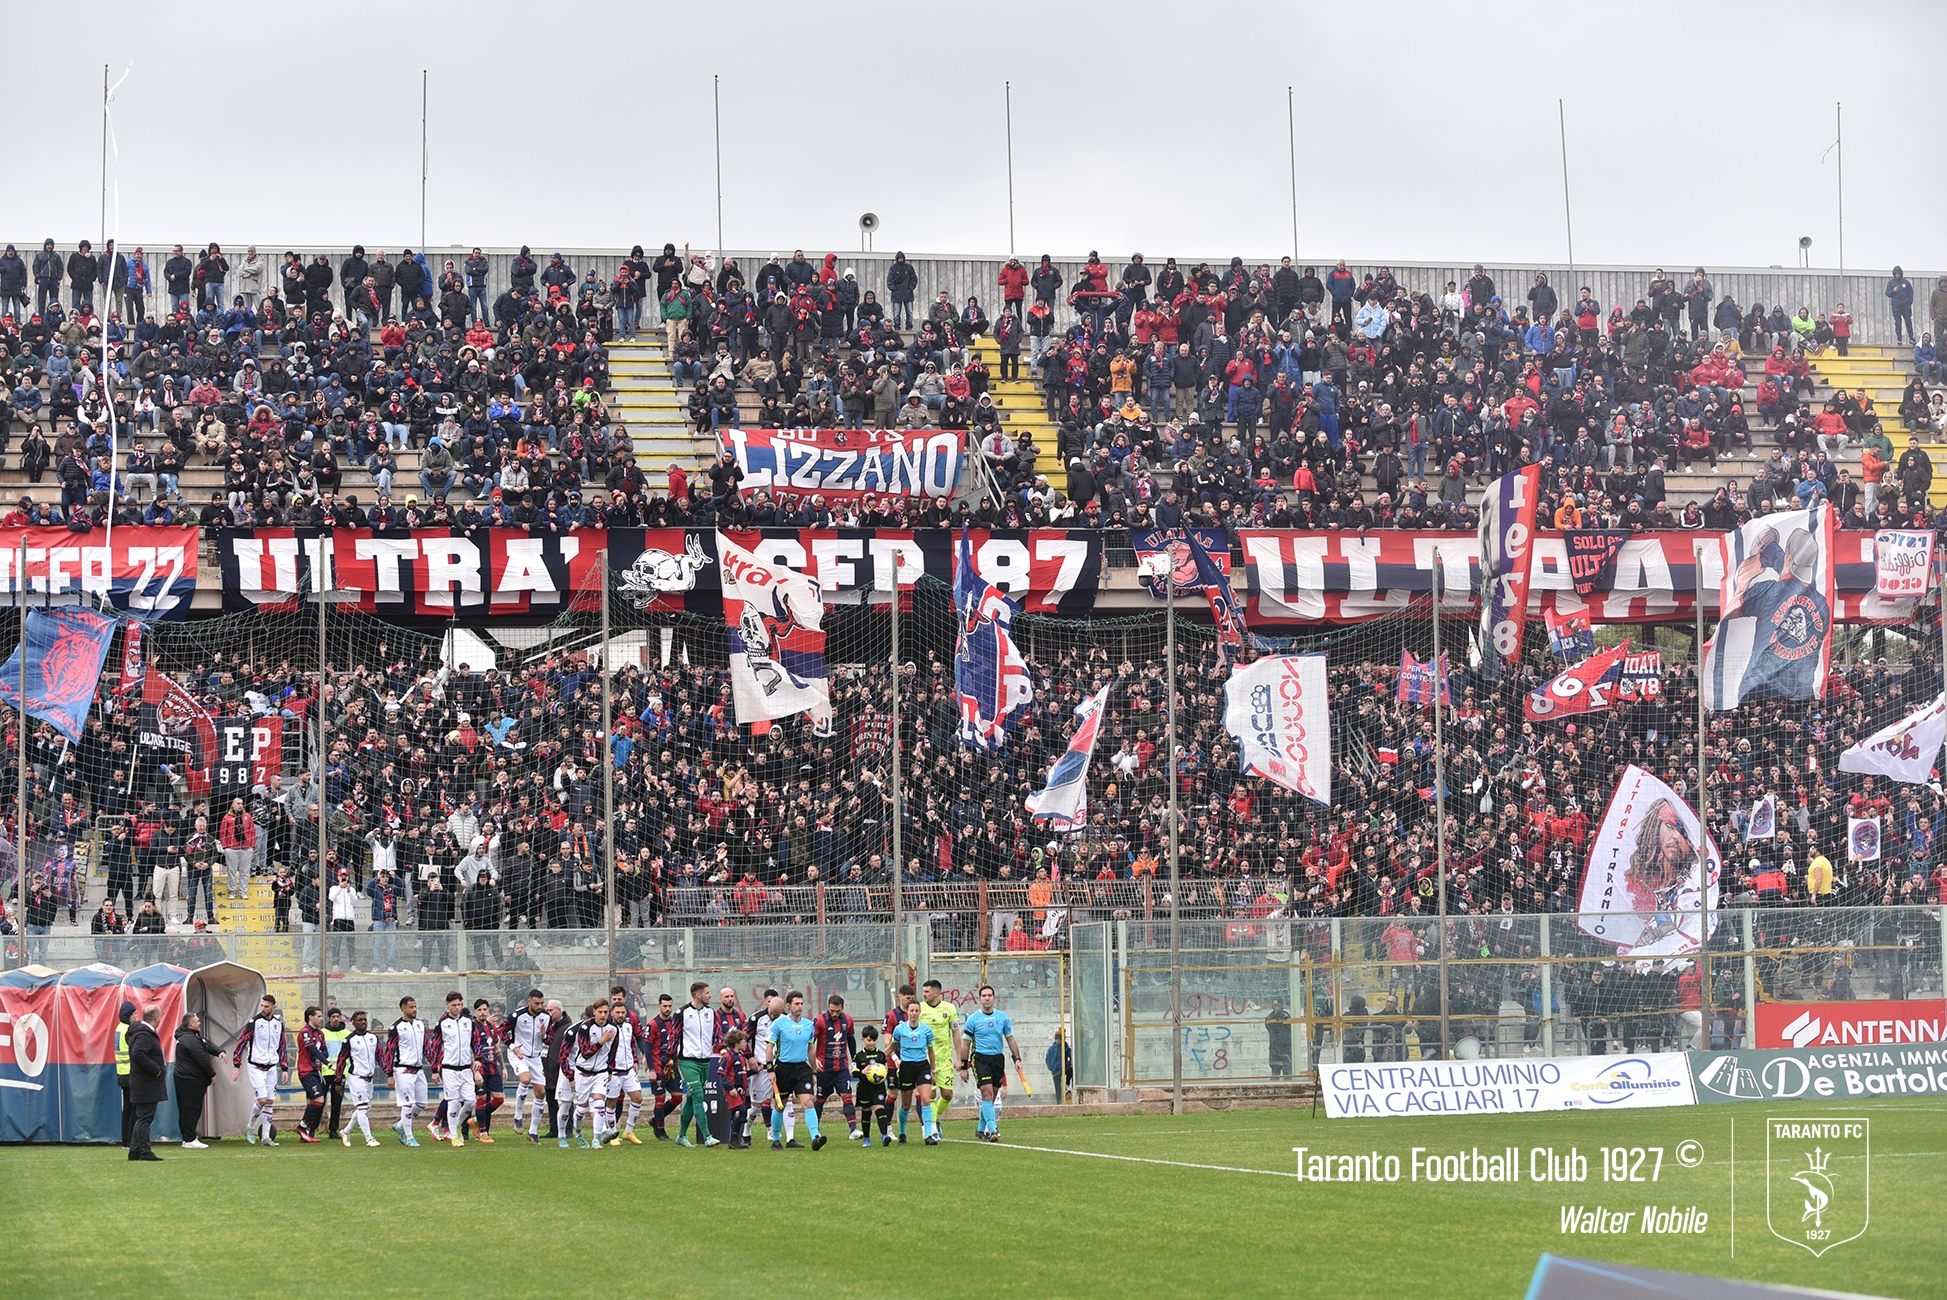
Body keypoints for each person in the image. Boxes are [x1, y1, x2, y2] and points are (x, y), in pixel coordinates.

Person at [957, 984, 1023, 1142]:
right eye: (983, 996)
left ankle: (980, 1129)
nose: (986, 998)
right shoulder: (973, 1019)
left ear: (994, 998)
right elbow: (966, 1045)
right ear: (979, 999)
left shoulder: (1002, 1018)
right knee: (986, 1094)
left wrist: (1017, 1059)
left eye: (989, 995)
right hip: (980, 1059)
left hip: (997, 1059)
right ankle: (992, 1130)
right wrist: (964, 1067)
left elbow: (1011, 1039)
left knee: (991, 1097)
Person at [769, 991, 827, 1151]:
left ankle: (816, 1137)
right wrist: (770, 1069)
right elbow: (769, 1046)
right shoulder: (779, 1024)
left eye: (801, 1003)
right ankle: (775, 1139)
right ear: (788, 1006)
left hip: (802, 1069)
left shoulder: (809, 1025)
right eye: (796, 1004)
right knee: (780, 1106)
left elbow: (811, 1049)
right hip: (783, 1069)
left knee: (808, 1102)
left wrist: (814, 1071)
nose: (800, 1006)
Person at [230, 993, 288, 1146]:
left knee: (269, 1101)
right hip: (256, 1066)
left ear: (273, 1007)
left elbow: (282, 1046)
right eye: (261, 1006)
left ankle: (266, 1137)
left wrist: (284, 1068)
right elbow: (241, 1043)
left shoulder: (278, 1024)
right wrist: (236, 1065)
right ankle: (250, 1127)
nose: (263, 1008)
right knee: (262, 1099)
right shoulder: (253, 1023)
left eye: (266, 1006)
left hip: (271, 1067)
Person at [432, 990, 485, 1147]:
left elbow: (476, 1042)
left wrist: (478, 1060)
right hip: (449, 1068)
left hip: (465, 1068)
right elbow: (435, 1047)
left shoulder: (468, 1022)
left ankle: (453, 1127)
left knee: (470, 1102)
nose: (457, 1008)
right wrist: (435, 1069)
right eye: (454, 1005)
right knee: (453, 1102)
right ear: (447, 1005)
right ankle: (454, 1135)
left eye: (459, 1005)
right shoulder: (442, 1023)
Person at [673, 981, 720, 1147]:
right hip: (687, 1061)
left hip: (705, 1061)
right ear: (698, 995)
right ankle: (708, 1137)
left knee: (692, 1099)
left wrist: (722, 1050)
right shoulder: (682, 1013)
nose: (710, 995)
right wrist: (670, 1061)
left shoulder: (711, 1012)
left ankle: (681, 1136)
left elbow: (717, 1035)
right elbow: (674, 1038)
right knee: (699, 1095)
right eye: (707, 993)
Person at [566, 999, 616, 1149]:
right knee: (581, 1109)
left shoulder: (613, 1029)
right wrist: (601, 1041)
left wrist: (610, 1070)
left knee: (600, 1104)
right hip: (583, 1072)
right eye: (600, 1012)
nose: (603, 1015)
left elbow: (613, 1050)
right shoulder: (585, 1028)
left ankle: (596, 1140)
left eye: (605, 1012)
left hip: (600, 1072)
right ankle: (579, 1133)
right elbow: (586, 1052)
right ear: (594, 1012)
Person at [889, 999, 940, 1145]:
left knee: (926, 1099)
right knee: (905, 1105)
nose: (914, 1013)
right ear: (907, 1012)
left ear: (919, 1012)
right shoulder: (899, 1030)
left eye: (917, 1011)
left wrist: (933, 1071)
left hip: (922, 1066)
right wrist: (880, 1057)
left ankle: (929, 1135)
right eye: (911, 1010)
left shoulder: (926, 1030)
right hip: (906, 1067)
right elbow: (892, 1047)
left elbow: (931, 1051)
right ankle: (902, 1133)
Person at [811, 994, 860, 1140]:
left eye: (837, 1011)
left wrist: (854, 1061)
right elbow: (810, 1042)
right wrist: (814, 1061)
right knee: (820, 1100)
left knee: (847, 1097)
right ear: (828, 1007)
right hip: (824, 1068)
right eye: (832, 1010)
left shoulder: (848, 1020)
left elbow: (850, 1039)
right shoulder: (819, 1021)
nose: (834, 1014)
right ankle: (816, 1131)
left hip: (842, 1068)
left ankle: (853, 1130)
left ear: (842, 1008)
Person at [333, 1010, 384, 1147]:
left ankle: (345, 1131)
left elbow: (380, 1056)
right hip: (357, 1077)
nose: (363, 1022)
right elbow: (341, 1060)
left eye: (364, 1020)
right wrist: (338, 1081)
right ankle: (369, 1139)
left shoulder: (373, 1038)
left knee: (365, 1109)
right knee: (362, 1107)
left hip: (369, 1078)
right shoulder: (349, 1040)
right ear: (353, 1023)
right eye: (360, 1020)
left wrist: (389, 1073)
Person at [383, 995, 429, 1146]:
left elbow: (426, 1046)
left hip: (419, 1069)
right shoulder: (396, 1027)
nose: (414, 1010)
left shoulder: (420, 1025)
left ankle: (400, 1125)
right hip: (403, 1069)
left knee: (422, 1103)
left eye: (415, 1006)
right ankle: (409, 1138)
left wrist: (435, 1065)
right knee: (408, 1104)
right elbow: (389, 1051)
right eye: (411, 1007)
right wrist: (389, 1074)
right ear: (403, 1008)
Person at [916, 978, 960, 1132]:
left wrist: (959, 1057)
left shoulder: (949, 1008)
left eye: (927, 992)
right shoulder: (919, 1008)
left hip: (944, 1059)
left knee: (947, 1094)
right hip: (925, 1059)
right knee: (931, 1094)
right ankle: (932, 1128)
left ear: (936, 993)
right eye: (923, 991)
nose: (924, 995)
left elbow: (955, 1033)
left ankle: (936, 1118)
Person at [507, 988, 551, 1143]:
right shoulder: (517, 1016)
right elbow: (501, 1032)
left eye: (542, 1003)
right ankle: (518, 1116)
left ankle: (533, 1132)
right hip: (519, 1054)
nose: (540, 1006)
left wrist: (544, 1035)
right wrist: (513, 1047)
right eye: (537, 1003)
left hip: (535, 1058)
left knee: (540, 1093)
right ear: (529, 1002)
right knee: (525, 1079)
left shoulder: (546, 1017)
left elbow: (549, 1040)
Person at [602, 990, 644, 1146]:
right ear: (612, 1013)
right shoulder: (607, 1029)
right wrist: (607, 1069)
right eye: (617, 1012)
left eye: (622, 1012)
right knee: (612, 1103)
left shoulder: (627, 1026)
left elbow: (631, 1044)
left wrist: (635, 1059)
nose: (620, 1015)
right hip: (613, 1072)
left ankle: (628, 1131)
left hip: (628, 1070)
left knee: (637, 1098)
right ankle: (613, 1134)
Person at [173, 1010, 219, 1149]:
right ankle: (190, 1139)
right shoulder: (190, 1039)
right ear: (191, 1024)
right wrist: (212, 1074)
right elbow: (202, 1058)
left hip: (183, 1078)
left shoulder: (190, 1036)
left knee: (185, 1108)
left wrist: (219, 1051)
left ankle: (187, 1137)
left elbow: (206, 1044)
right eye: (197, 1021)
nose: (199, 1022)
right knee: (191, 1108)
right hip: (190, 1079)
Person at [126, 1006, 167, 1162]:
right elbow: (138, 1053)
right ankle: (144, 1150)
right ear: (156, 1017)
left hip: (142, 1082)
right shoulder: (144, 1034)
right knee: (145, 1118)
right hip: (146, 1083)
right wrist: (155, 1069)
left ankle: (135, 1151)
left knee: (142, 1117)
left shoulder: (142, 1032)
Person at [644, 991, 682, 1140]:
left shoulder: (674, 1022)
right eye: (665, 1006)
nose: (667, 1009)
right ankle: (660, 1130)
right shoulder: (653, 1024)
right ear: (659, 1006)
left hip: (672, 1067)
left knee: (678, 1097)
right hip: (658, 1067)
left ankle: (655, 1119)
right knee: (659, 1098)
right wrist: (652, 1069)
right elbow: (647, 1047)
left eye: (670, 1006)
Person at [852, 1025, 894, 1147]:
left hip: (878, 1087)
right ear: (863, 1040)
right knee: (866, 1111)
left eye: (874, 1040)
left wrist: (883, 1073)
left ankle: (884, 1135)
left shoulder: (881, 1055)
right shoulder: (859, 1056)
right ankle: (866, 1138)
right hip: (864, 1087)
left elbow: (885, 1071)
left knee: (880, 1108)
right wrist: (862, 1072)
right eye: (869, 1040)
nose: (871, 1043)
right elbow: (854, 1072)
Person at [294, 1005, 330, 1143]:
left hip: (317, 1071)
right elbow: (313, 1050)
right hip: (306, 1071)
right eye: (319, 1016)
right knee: (319, 1101)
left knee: (311, 1102)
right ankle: (302, 1127)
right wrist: (327, 1062)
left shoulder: (320, 1034)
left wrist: (322, 1057)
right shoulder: (305, 1032)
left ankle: (306, 1134)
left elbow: (324, 1051)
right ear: (310, 1017)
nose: (321, 1019)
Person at [1266, 999, 1295, 1077]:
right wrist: (1276, 1014)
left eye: (1278, 1005)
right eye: (1275, 1005)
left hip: (1286, 1049)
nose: (1277, 1007)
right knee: (1275, 1075)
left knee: (1288, 1075)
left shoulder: (1286, 1016)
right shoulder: (1269, 1018)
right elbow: (1270, 1027)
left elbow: (1290, 1028)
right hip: (1275, 1050)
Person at [1046, 1029, 1073, 1104]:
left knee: (1069, 1070)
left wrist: (1067, 1063)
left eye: (1059, 1039)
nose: (1058, 1041)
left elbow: (1071, 1056)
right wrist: (1050, 1067)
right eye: (1056, 1039)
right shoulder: (1052, 1049)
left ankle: (1067, 1085)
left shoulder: (1065, 1047)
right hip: (1055, 1070)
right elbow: (1047, 1058)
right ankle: (1058, 1102)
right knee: (1057, 1087)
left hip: (1062, 1068)